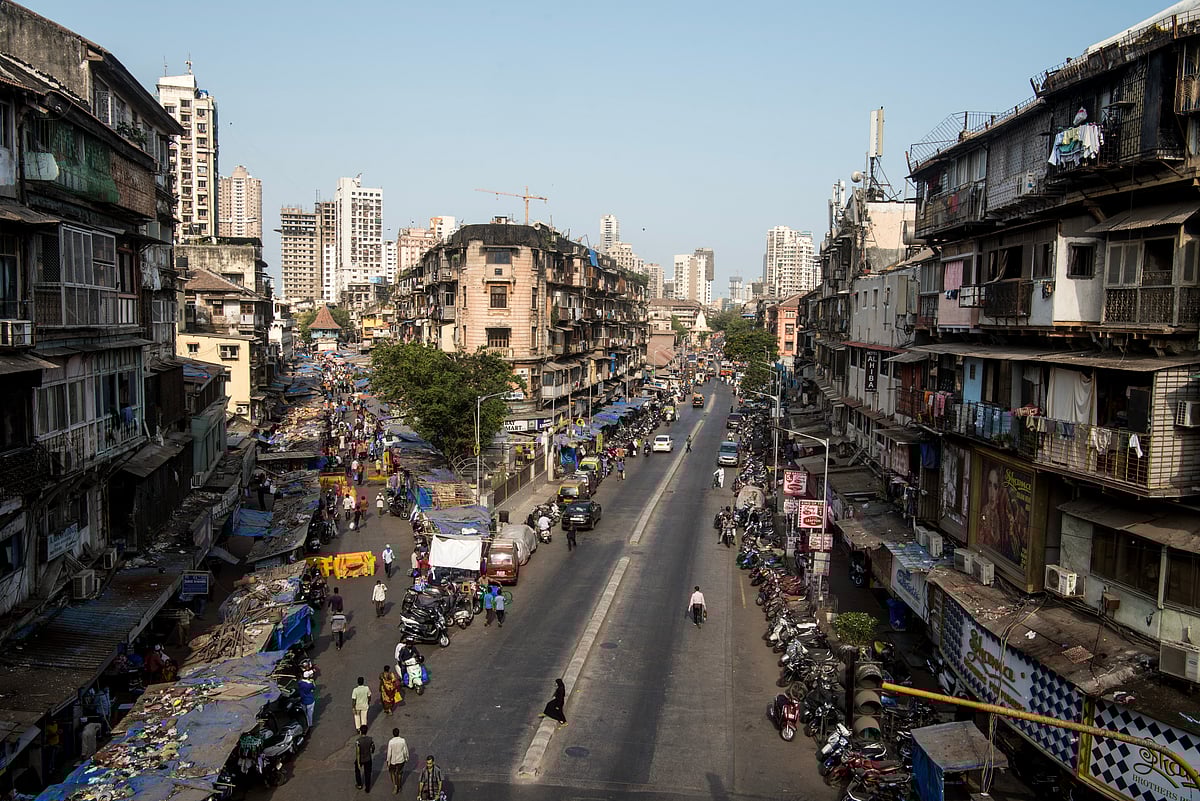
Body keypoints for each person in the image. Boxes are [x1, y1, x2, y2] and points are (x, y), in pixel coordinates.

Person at [386, 727, 409, 794]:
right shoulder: (402, 740)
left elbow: (389, 753)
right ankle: (399, 784)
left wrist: (388, 761)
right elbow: (405, 750)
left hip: (393, 760)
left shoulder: (391, 742)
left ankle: (395, 785)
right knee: (399, 773)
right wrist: (406, 757)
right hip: (401, 760)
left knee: (392, 773)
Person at [354, 724, 376, 792]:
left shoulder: (358, 741)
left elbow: (357, 753)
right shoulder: (370, 739)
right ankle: (367, 788)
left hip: (361, 759)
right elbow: (373, 748)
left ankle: (359, 784)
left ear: (360, 731)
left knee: (357, 771)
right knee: (368, 773)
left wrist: (358, 763)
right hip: (368, 758)